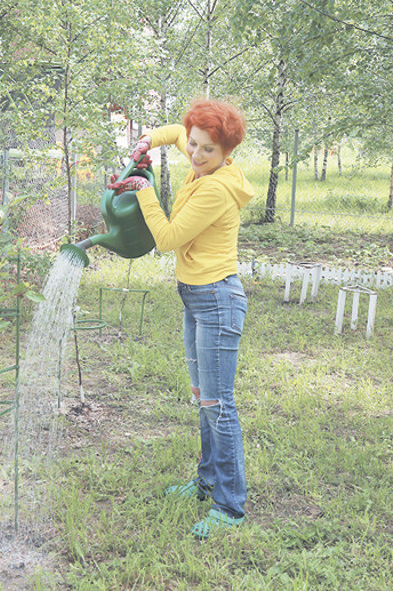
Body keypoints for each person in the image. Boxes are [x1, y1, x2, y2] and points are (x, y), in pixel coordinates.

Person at [107, 98, 254, 539]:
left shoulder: (214, 188)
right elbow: (176, 133)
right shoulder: (201, 158)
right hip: (196, 298)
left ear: (226, 152)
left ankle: (229, 506)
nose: (195, 154)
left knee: (219, 406)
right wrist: (147, 139)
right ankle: (206, 482)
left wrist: (143, 189)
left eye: (207, 150)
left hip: (216, 301)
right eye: (193, 145)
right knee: (203, 400)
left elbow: (168, 239)